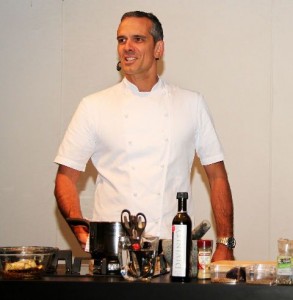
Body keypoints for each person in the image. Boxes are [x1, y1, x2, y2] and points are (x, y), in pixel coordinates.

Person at [54, 11, 235, 262]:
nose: (127, 47)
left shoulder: (191, 104)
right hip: (112, 256)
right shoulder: (93, 106)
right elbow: (65, 178)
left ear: (158, 48)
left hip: (174, 255)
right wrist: (80, 230)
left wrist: (226, 242)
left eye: (138, 39)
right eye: (121, 40)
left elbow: (217, 176)